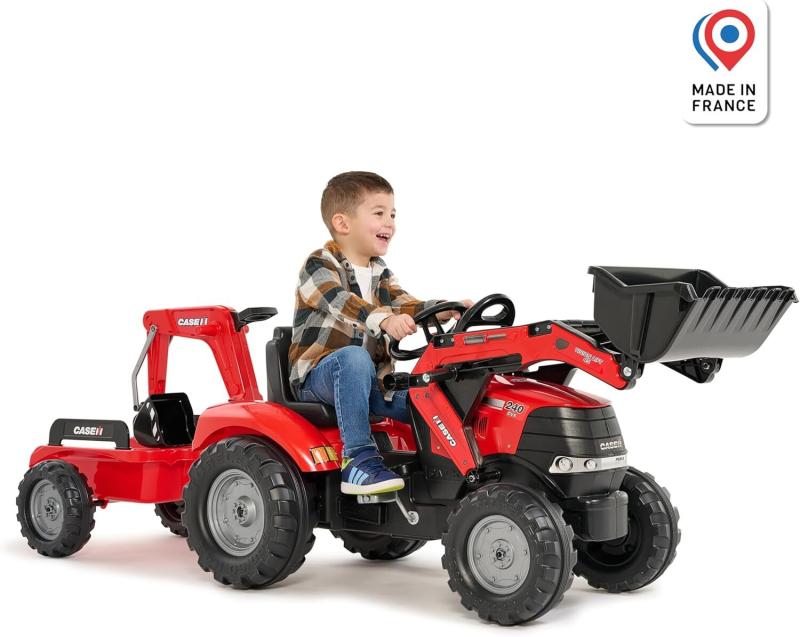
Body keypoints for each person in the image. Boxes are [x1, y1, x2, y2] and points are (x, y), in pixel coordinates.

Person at [288, 171, 473, 495]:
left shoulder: (379, 272)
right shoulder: (319, 265)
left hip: (373, 383)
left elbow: (406, 304)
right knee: (354, 359)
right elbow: (340, 302)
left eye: (393, 214)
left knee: (431, 398)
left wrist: (444, 308)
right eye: (379, 213)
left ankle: (451, 472)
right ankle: (357, 460)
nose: (390, 222)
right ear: (343, 223)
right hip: (320, 378)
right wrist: (384, 319)